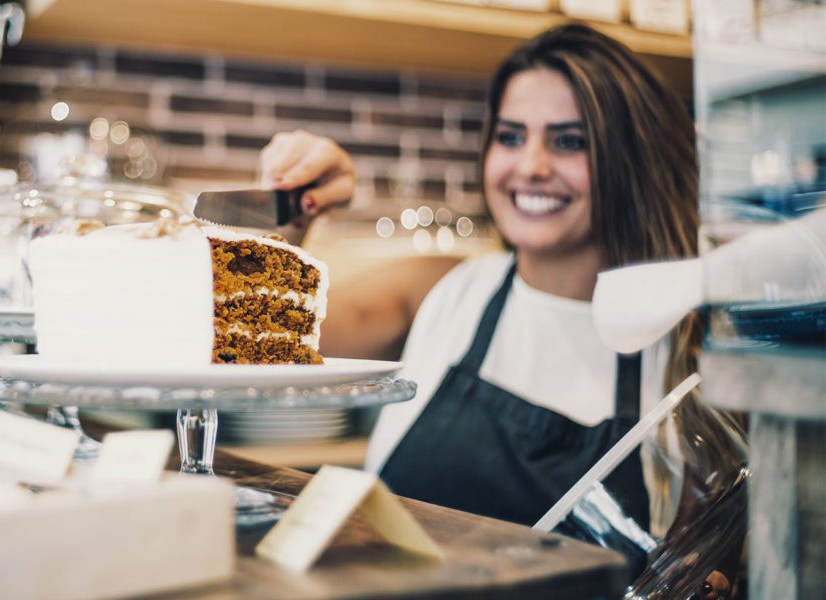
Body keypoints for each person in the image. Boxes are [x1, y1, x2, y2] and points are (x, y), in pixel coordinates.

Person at [260, 24, 741, 599]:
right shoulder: (443, 290)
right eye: (511, 136)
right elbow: (265, 331)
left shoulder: (684, 345)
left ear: (630, 162)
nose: (530, 165)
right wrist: (291, 212)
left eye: (569, 141)